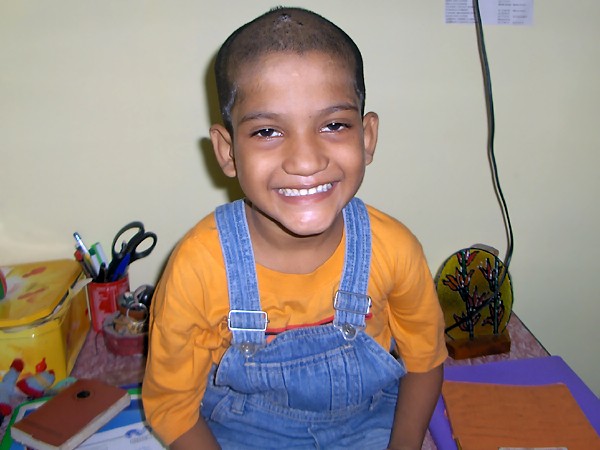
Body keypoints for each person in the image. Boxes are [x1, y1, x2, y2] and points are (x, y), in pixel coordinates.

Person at [142, 7, 447, 450]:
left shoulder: (394, 250)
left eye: (334, 125)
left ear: (367, 138)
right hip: (243, 432)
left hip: (367, 423)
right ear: (227, 152)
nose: (306, 161)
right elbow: (171, 406)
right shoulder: (198, 268)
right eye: (267, 131)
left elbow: (424, 361)